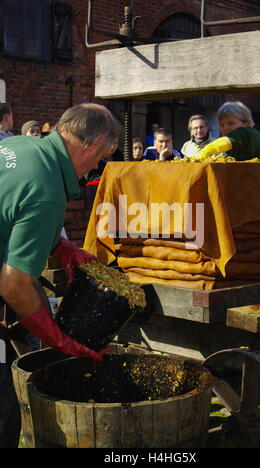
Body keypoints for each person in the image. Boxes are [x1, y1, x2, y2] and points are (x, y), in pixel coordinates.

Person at [0, 103, 119, 448]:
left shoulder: (19, 146)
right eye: (102, 156)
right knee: (5, 404)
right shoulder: (46, 190)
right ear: (93, 143)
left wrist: (62, 247)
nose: (97, 166)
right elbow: (13, 284)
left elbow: (12, 214)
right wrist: (60, 341)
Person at [193, 101, 260, 161]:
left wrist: (200, 155)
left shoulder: (247, 132)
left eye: (230, 123)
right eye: (222, 125)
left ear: (245, 123)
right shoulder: (233, 146)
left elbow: (222, 143)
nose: (225, 127)